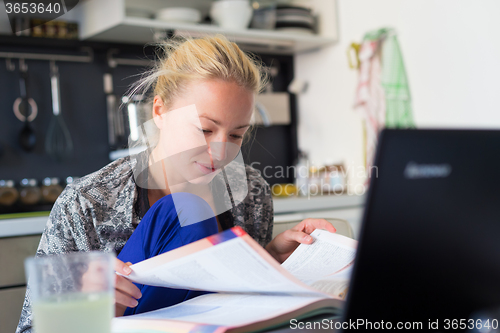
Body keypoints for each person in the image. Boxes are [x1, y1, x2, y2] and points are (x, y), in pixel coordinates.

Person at [16, 35, 335, 333]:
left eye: (236, 134)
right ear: (160, 111)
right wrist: (86, 308)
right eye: (205, 130)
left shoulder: (251, 194)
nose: (221, 152)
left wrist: (271, 257)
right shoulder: (86, 204)